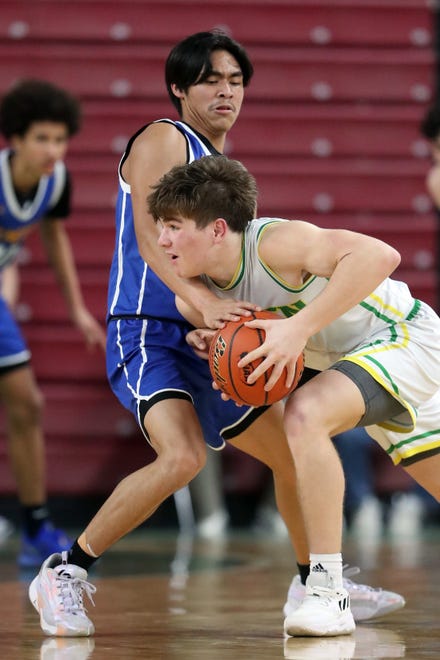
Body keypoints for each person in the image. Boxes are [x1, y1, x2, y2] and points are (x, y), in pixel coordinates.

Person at [28, 32, 403, 638]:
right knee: (180, 456)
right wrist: (202, 304)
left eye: (234, 80)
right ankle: (64, 572)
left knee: (292, 450)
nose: (225, 90)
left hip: (211, 333)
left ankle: (315, 584)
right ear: (179, 88)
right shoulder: (164, 137)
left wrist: (234, 320)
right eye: (209, 79)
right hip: (149, 328)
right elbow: (153, 238)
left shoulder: (225, 172)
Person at [146, 154, 440, 637]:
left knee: (304, 414)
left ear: (218, 230)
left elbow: (381, 256)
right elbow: (243, 344)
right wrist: (215, 346)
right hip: (359, 363)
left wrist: (298, 329)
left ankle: (325, 591)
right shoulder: (196, 298)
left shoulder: (276, 245)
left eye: (174, 227)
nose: (162, 241)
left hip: (404, 337)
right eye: (160, 227)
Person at [0, 79, 106, 567]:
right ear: (15, 137)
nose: (52, 150)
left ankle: (36, 526)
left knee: (27, 406)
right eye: (42, 138)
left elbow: (55, 238)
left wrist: (76, 308)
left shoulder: (57, 180)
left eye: (60, 139)